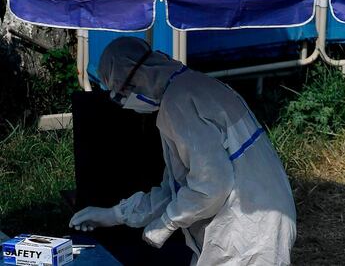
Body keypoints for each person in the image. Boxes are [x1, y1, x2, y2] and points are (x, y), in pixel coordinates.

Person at [69, 37, 296, 265]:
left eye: (120, 95)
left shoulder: (179, 102)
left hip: (247, 232)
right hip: (261, 216)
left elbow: (211, 186)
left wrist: (165, 224)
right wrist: (113, 215)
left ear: (132, 80)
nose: (125, 102)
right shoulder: (193, 86)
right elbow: (175, 189)